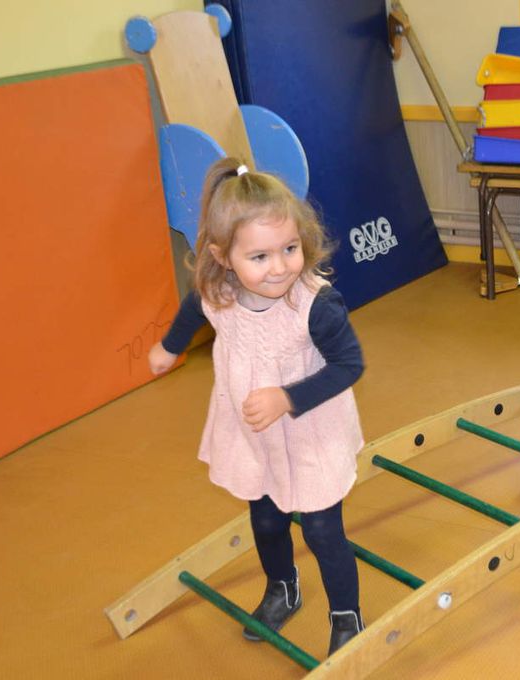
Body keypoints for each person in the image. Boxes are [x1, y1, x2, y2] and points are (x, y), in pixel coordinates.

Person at [149, 158, 366, 655]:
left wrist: (288, 397)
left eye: (290, 249)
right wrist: (170, 347)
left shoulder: (315, 304)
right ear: (223, 257)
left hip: (309, 428)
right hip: (252, 432)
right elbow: (193, 307)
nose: (280, 267)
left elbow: (349, 365)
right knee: (266, 519)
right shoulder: (219, 291)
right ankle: (283, 587)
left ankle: (346, 615)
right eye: (261, 257)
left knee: (320, 528)